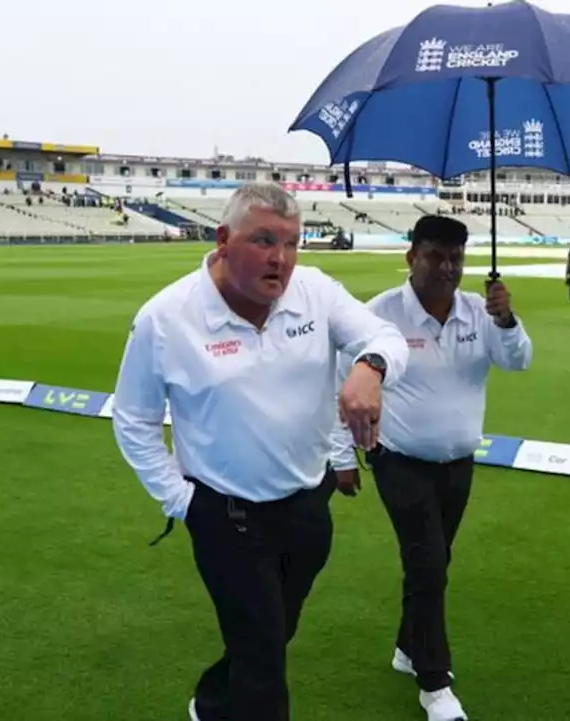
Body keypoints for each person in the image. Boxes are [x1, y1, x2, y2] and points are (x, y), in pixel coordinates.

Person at [110, 181, 410, 721]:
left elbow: (383, 336)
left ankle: (211, 701)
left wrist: (371, 368)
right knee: (263, 663)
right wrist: (181, 502)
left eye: (293, 243)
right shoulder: (166, 317)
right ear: (224, 240)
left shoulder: (315, 291)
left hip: (305, 507)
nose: (281, 259)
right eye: (264, 241)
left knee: (271, 634)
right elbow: (133, 419)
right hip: (225, 516)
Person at [329, 215, 533, 721]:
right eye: (435, 256)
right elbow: (339, 383)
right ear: (411, 258)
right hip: (397, 458)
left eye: (455, 259)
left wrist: (506, 321)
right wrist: (340, 457)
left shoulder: (479, 311)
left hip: (458, 462)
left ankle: (407, 647)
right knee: (427, 564)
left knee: (434, 563)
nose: (447, 268)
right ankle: (434, 683)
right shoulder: (378, 316)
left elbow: (517, 362)